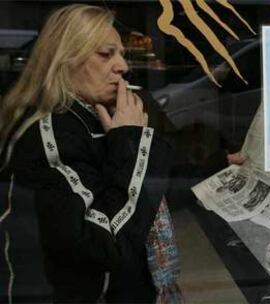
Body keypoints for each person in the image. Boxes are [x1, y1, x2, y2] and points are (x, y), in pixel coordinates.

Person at [0, 4, 180, 303]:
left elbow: (152, 190)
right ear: (65, 60)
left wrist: (215, 165)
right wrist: (130, 141)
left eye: (121, 54)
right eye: (106, 54)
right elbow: (104, 244)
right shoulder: (51, 134)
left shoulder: (93, 115)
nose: (122, 66)